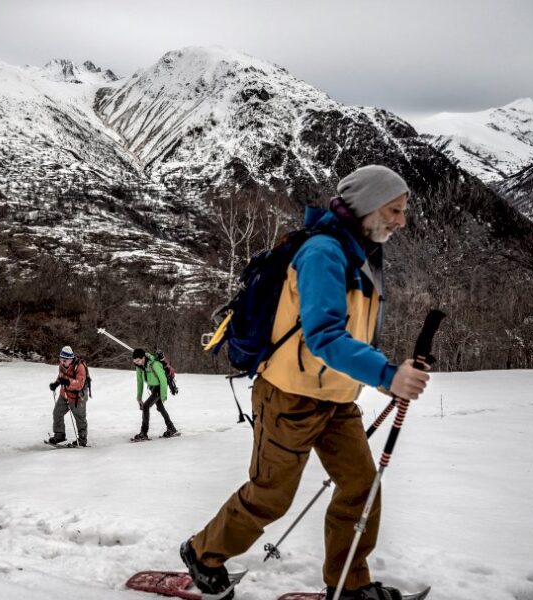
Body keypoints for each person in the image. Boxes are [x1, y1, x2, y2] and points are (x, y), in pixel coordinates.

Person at [179, 165, 432, 600]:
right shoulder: (323, 254)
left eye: (403, 210)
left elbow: (354, 331)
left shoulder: (362, 251)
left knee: (360, 487)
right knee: (270, 498)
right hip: (288, 398)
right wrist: (387, 375)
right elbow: (325, 336)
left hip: (336, 399)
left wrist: (385, 373)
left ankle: (350, 585)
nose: (400, 221)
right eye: (394, 209)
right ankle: (203, 554)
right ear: (369, 205)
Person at [46, 345, 89, 447]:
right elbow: (61, 376)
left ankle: (82, 440)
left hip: (78, 396)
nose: (62, 362)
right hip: (65, 394)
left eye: (65, 360)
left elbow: (79, 384)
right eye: (61, 359)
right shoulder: (62, 365)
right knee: (57, 413)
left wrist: (67, 381)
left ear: (71, 359)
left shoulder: (80, 367)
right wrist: (56, 384)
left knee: (79, 418)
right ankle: (59, 435)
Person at [131, 348, 177, 441]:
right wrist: (139, 398)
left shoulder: (154, 364)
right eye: (135, 361)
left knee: (146, 406)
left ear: (143, 358)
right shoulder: (139, 366)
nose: (137, 363)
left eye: (138, 361)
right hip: (152, 388)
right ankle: (171, 428)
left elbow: (163, 380)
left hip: (159, 387)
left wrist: (163, 395)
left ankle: (143, 432)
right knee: (160, 407)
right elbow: (139, 381)